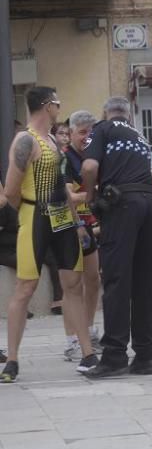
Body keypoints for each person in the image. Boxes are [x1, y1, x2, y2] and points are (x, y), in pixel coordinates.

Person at [2, 86, 95, 383]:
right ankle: (13, 359)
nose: (59, 107)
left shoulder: (53, 140)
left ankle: (87, 352)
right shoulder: (25, 141)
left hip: (62, 217)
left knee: (73, 284)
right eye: (57, 103)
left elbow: (62, 185)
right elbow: (11, 191)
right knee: (25, 287)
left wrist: (76, 222)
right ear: (46, 106)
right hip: (35, 216)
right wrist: (30, 213)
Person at [78, 98, 152, 378]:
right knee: (145, 281)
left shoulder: (101, 129)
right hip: (149, 203)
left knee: (116, 279)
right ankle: (146, 356)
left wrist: (90, 198)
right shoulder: (140, 136)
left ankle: (113, 356)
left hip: (122, 204)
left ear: (106, 113)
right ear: (128, 115)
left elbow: (89, 168)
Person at [62, 111, 102, 358]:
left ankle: (86, 330)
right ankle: (72, 340)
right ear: (71, 134)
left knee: (94, 280)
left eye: (91, 133)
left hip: (90, 225)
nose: (86, 137)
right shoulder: (65, 159)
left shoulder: (95, 156)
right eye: (82, 133)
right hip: (70, 226)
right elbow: (68, 197)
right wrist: (93, 193)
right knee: (73, 286)